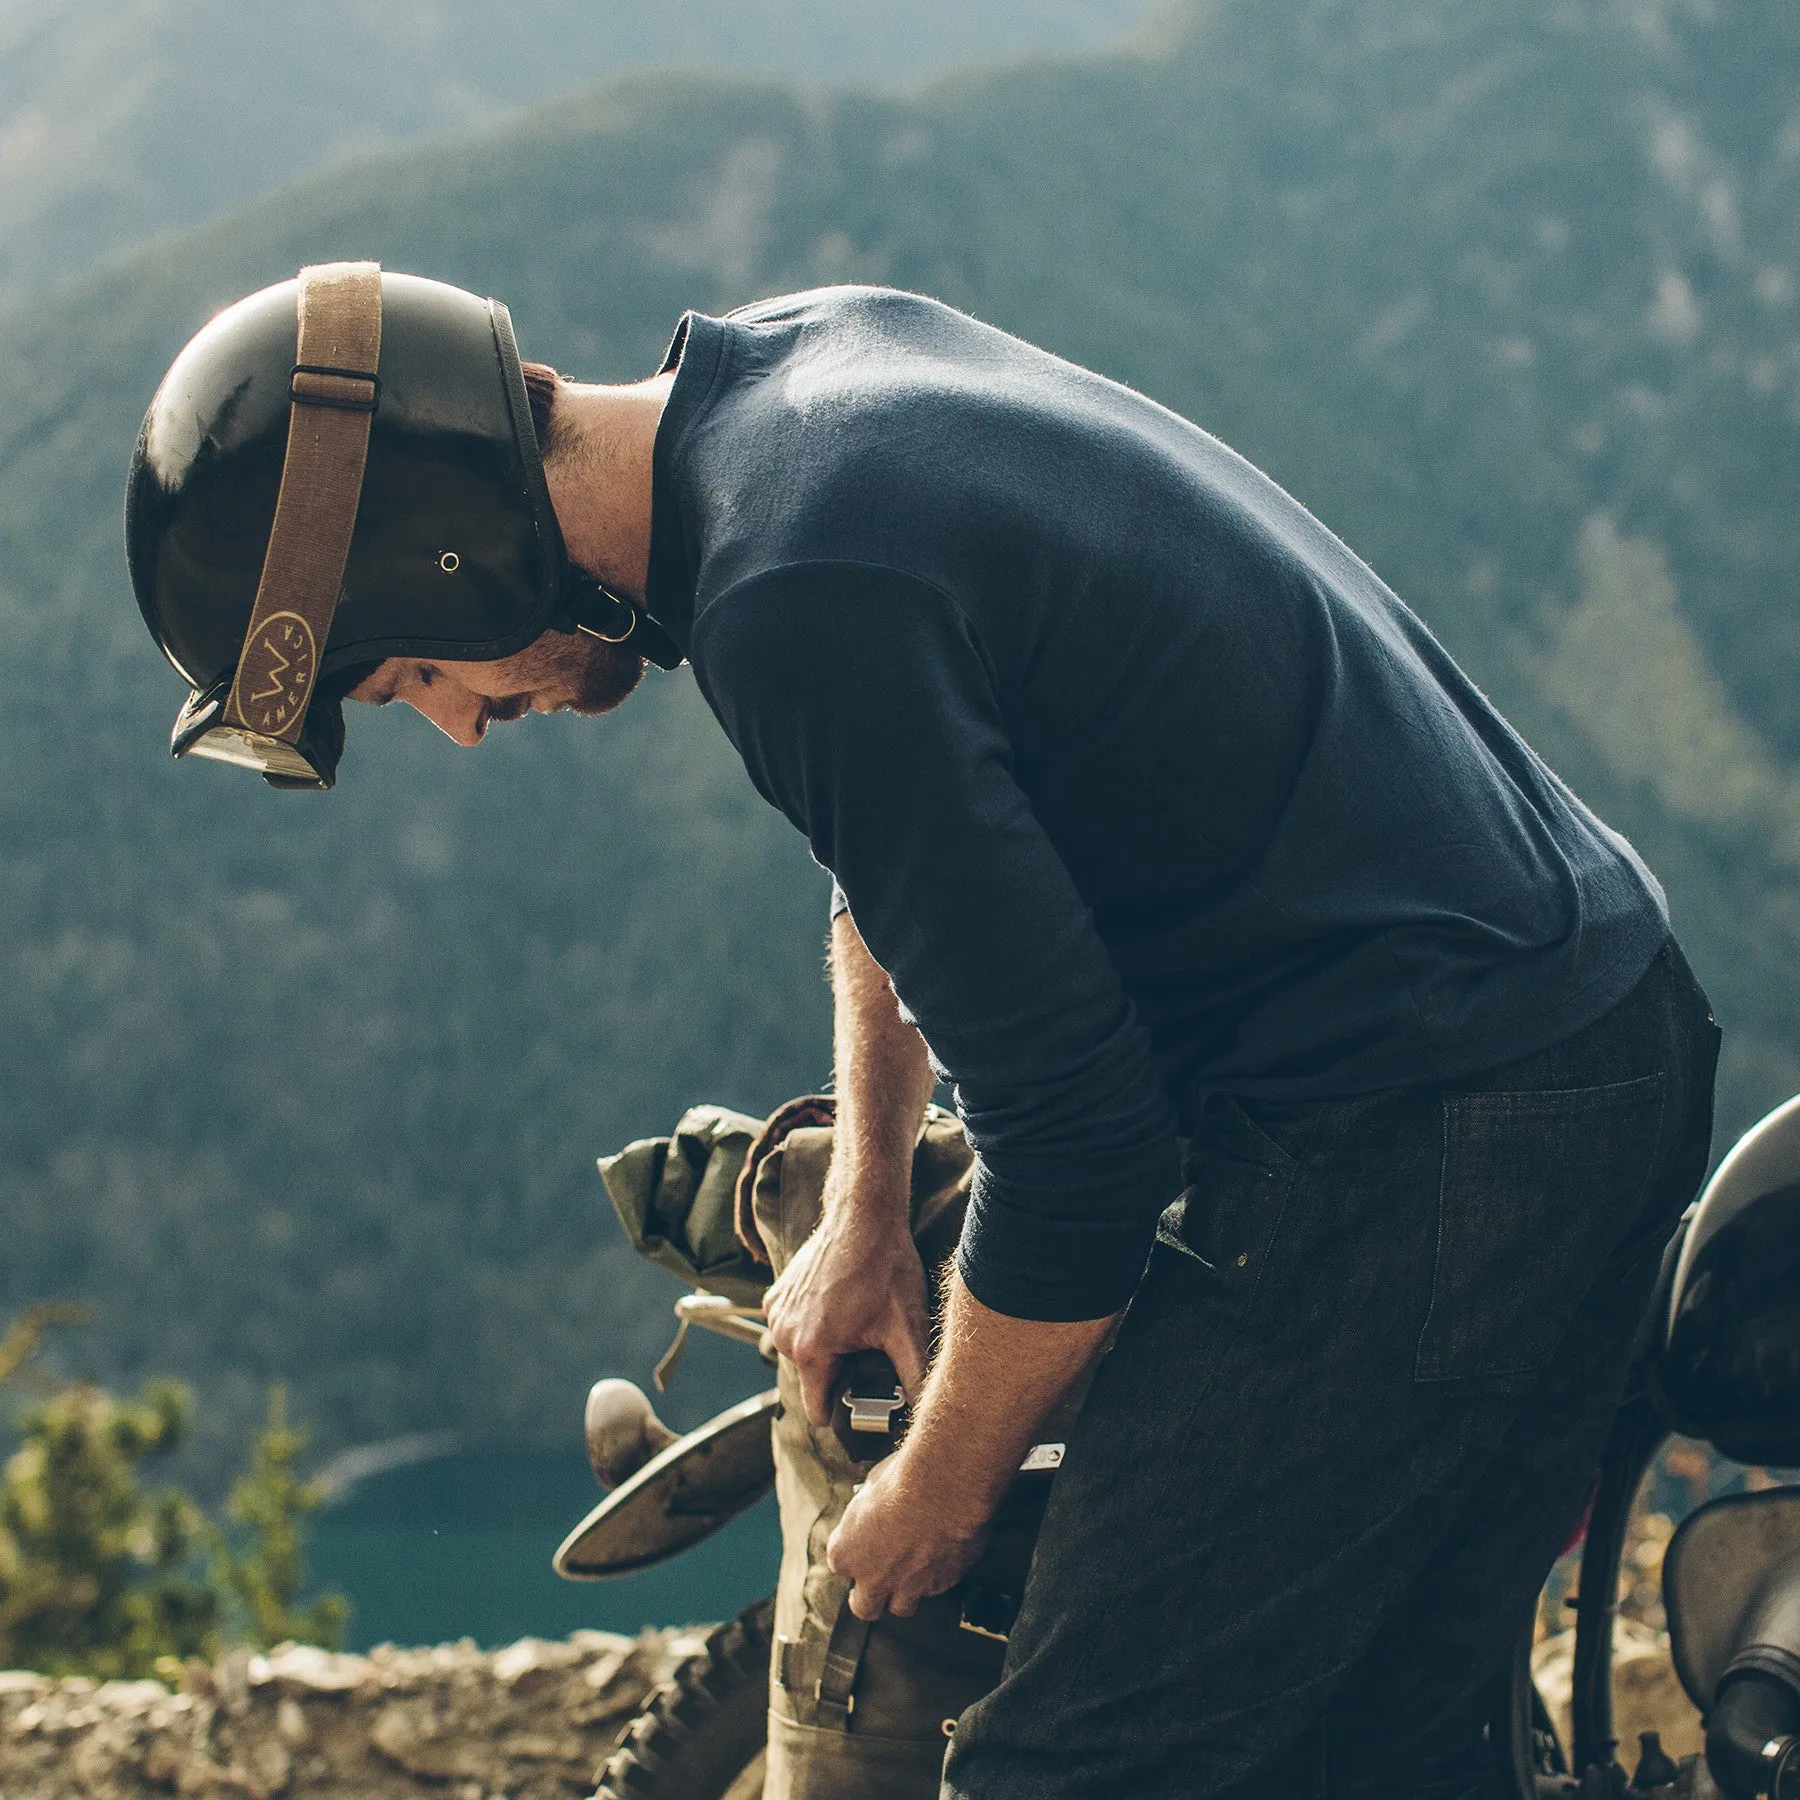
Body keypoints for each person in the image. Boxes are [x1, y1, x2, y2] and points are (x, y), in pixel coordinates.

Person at [127, 264, 1719, 1798]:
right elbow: (908, 846)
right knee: (1380, 1754)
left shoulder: (793, 597)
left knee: (1066, 1770)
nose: (464, 725)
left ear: (451, 556)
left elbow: (1082, 1158)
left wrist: (933, 1497)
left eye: (413, 672)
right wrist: (870, 1199)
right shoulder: (788, 378)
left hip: (1443, 1124)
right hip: (1578, 1028)